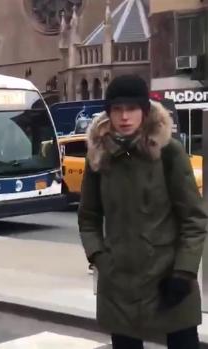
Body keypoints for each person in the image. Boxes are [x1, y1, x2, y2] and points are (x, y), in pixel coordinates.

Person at [78, 75, 207, 349]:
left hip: (168, 279)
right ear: (109, 112)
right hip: (119, 283)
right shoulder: (99, 156)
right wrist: (100, 259)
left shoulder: (168, 152)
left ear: (145, 111)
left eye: (132, 109)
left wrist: (184, 272)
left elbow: (194, 219)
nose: (124, 117)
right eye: (117, 109)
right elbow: (88, 217)